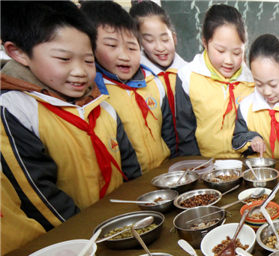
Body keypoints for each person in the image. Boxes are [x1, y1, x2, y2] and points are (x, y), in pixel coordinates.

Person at [0, 1, 141, 234]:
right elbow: (39, 196)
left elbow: (130, 169)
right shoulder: (14, 110)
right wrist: (90, 236)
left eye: (88, 61)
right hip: (77, 236)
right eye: (64, 59)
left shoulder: (103, 107)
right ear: (19, 53)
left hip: (123, 224)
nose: (80, 71)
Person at [81, 1, 176, 174]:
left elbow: (168, 132)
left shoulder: (154, 83)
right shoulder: (94, 93)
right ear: (90, 47)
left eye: (132, 47)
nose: (124, 56)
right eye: (112, 46)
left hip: (165, 173)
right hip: (127, 183)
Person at [176, 4, 254, 158]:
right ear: (205, 42)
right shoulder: (188, 76)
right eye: (220, 51)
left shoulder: (252, 80)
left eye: (237, 52)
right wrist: (196, 167)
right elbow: (186, 131)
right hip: (204, 164)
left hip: (244, 164)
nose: (229, 61)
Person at [130, 0, 188, 154]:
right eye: (149, 40)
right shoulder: (137, 79)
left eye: (165, 39)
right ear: (138, 42)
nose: (160, 47)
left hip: (193, 154)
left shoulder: (189, 73)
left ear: (174, 38)